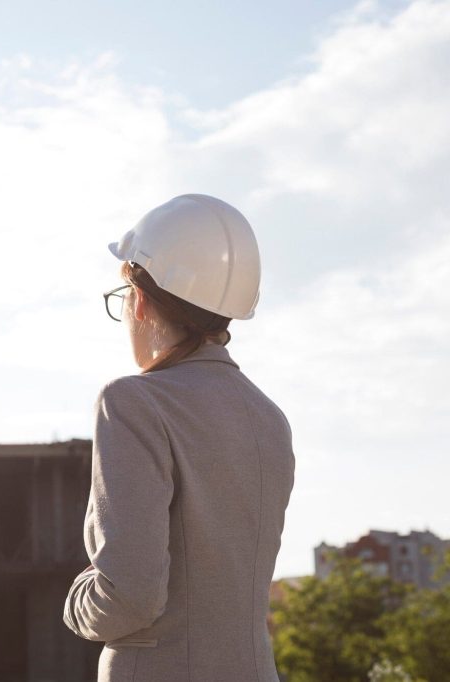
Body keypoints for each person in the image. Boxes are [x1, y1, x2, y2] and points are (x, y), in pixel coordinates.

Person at [62, 194, 295, 681]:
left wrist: (76, 603)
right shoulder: (270, 418)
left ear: (140, 299)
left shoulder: (132, 403)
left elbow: (130, 593)